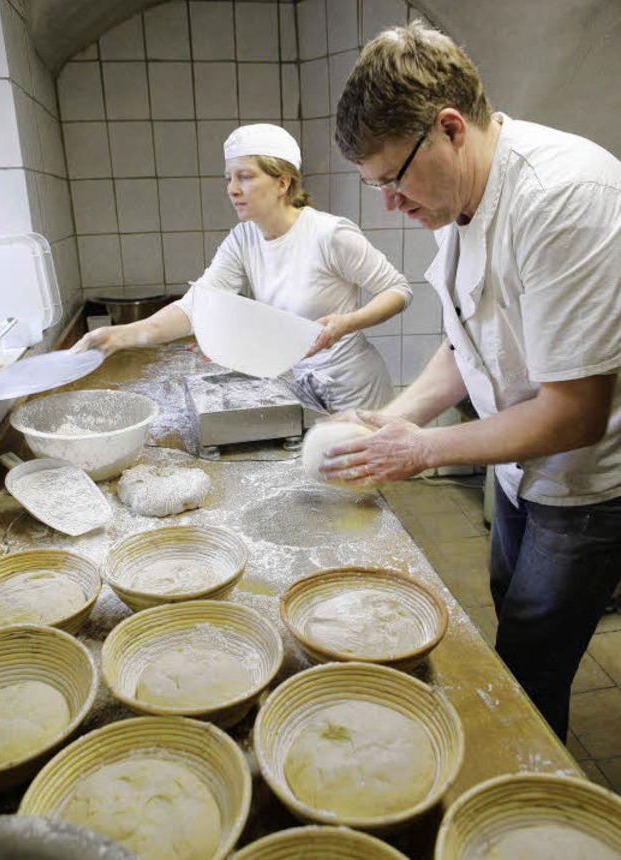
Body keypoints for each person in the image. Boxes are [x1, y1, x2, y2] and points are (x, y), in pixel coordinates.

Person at [322, 20, 621, 742]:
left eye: (393, 180)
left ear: (450, 128)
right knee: (511, 610)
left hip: (583, 483)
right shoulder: (456, 197)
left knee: (529, 661)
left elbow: (575, 413)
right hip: (517, 468)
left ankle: (527, 803)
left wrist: (420, 451)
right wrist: (390, 421)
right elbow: (465, 346)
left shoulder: (562, 199)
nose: (390, 204)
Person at [77, 124, 412, 412]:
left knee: (361, 487)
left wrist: (347, 323)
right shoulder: (244, 238)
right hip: (302, 383)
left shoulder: (329, 235)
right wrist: (118, 336)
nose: (232, 189)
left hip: (354, 388)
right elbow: (197, 305)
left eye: (245, 177)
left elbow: (398, 290)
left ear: (283, 183)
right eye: (229, 178)